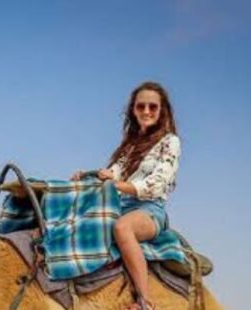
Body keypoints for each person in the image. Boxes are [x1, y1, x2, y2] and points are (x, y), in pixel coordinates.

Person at [72, 81, 181, 310]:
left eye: (153, 107)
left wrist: (116, 184)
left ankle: (144, 302)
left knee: (123, 228)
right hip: (120, 203)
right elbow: (113, 173)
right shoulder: (130, 146)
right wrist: (89, 176)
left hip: (149, 209)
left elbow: (155, 185)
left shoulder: (170, 142)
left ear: (162, 111)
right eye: (141, 106)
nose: (146, 111)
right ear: (133, 109)